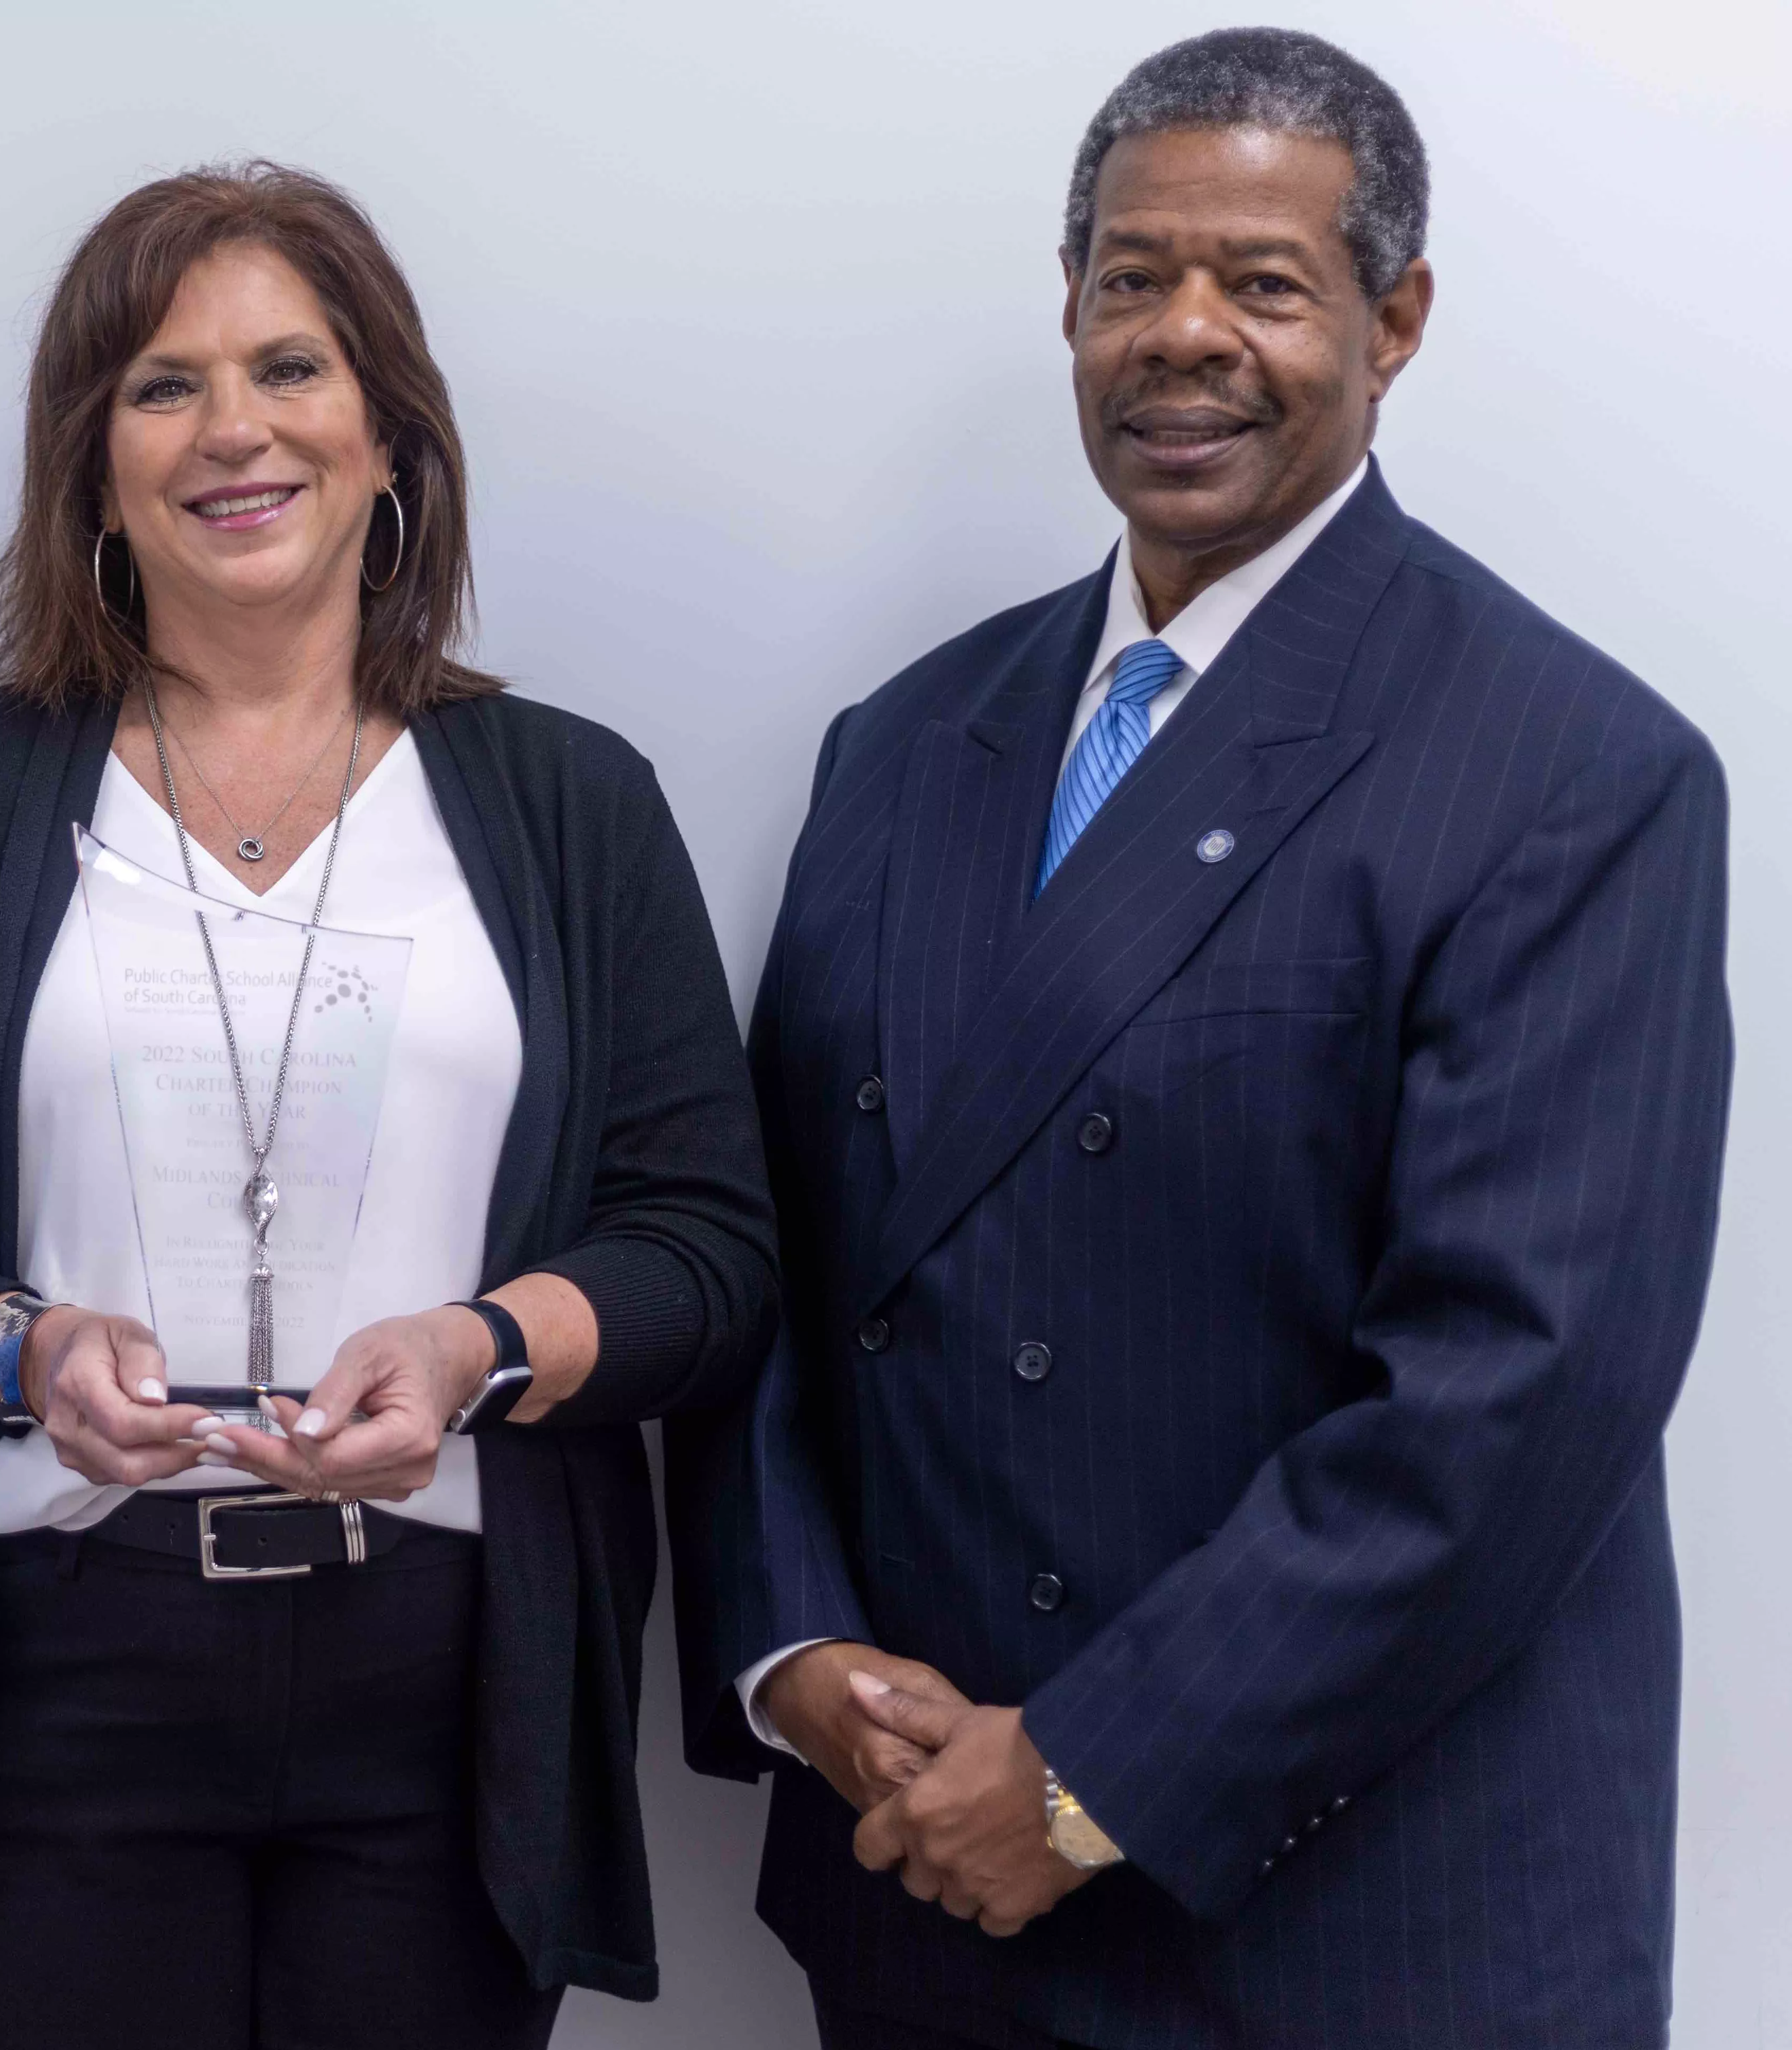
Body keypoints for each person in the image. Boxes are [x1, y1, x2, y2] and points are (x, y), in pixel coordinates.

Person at [668, 29, 1730, 2050]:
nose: (1187, 338)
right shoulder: (903, 747)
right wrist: (795, 1644)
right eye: (1136, 276)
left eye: (1265, 283)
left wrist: (1089, 1776)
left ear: (1395, 322)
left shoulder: (1574, 769)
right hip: (927, 1888)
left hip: (1357, 1914)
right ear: (1064, 304)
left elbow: (1515, 1396)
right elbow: (771, 1256)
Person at [0, 162, 773, 2049]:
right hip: (44, 1675)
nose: (234, 429)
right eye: (163, 384)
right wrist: (16, 1348)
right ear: (92, 461)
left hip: (454, 1686)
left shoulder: (570, 802)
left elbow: (713, 1246)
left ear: (390, 439)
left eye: (291, 367)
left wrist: (478, 1345)